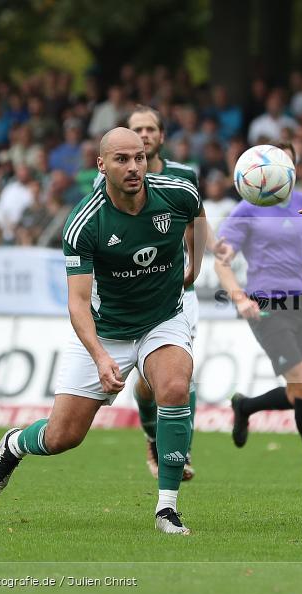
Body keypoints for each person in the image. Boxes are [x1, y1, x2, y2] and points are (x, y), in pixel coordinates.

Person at [0, 128, 207, 535]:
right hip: (106, 332)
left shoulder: (177, 193)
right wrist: (101, 357)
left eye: (139, 157)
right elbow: (78, 304)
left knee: (174, 386)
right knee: (62, 436)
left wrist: (197, 264)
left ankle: (166, 509)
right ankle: (14, 445)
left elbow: (198, 216)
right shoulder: (85, 222)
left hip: (163, 319)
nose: (134, 167)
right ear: (102, 165)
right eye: (122, 159)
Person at [217, 142, 302, 483]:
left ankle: (245, 406)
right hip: (266, 306)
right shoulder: (246, 209)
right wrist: (240, 298)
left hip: (300, 302)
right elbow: (222, 261)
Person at [94, 105, 204, 482]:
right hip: (130, 297)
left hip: (178, 288)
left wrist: (197, 265)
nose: (143, 135)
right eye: (136, 129)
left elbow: (196, 219)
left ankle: (180, 449)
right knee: (146, 383)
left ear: (160, 136)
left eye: (149, 130)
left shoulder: (182, 177)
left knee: (180, 375)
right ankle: (151, 434)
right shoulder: (107, 186)